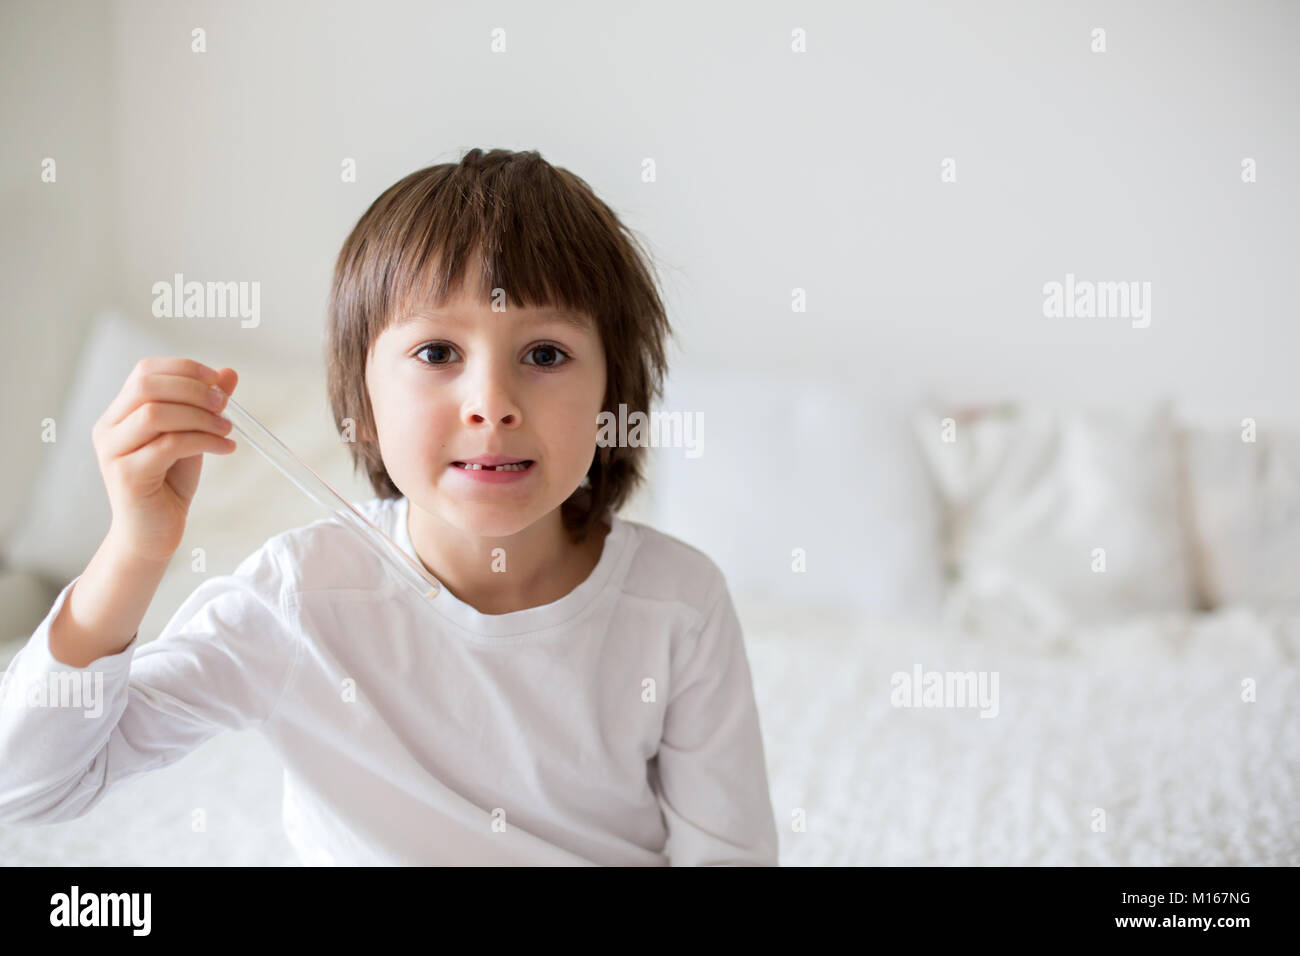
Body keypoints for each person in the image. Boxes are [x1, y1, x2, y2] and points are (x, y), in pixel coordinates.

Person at [0, 148, 779, 866]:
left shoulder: (680, 606)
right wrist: (133, 552)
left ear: (614, 396)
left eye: (544, 354)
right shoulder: (297, 600)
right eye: (437, 354)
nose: (492, 403)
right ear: (362, 403)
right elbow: (30, 786)